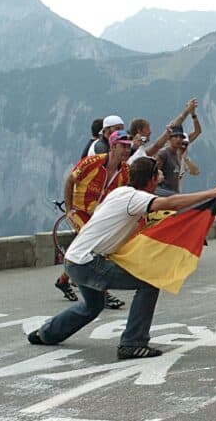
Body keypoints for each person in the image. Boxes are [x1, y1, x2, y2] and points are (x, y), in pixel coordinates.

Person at [29, 157, 216, 359]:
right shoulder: (135, 198)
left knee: (93, 306)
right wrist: (212, 193)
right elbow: (168, 203)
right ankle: (132, 343)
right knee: (149, 283)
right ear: (152, 179)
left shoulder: (119, 193)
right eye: (157, 176)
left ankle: (46, 334)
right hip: (88, 262)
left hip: (74, 259)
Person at [56, 130, 134, 309]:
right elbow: (70, 181)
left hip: (100, 215)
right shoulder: (92, 162)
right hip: (80, 211)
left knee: (87, 249)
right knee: (95, 247)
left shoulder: (126, 170)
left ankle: (63, 280)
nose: (127, 150)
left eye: (129, 147)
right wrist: (69, 210)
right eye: (123, 146)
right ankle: (103, 293)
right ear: (113, 146)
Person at [127, 99, 197, 165]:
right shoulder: (129, 149)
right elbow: (157, 145)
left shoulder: (139, 150)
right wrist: (186, 111)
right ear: (139, 131)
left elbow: (157, 145)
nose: (150, 132)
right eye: (147, 129)